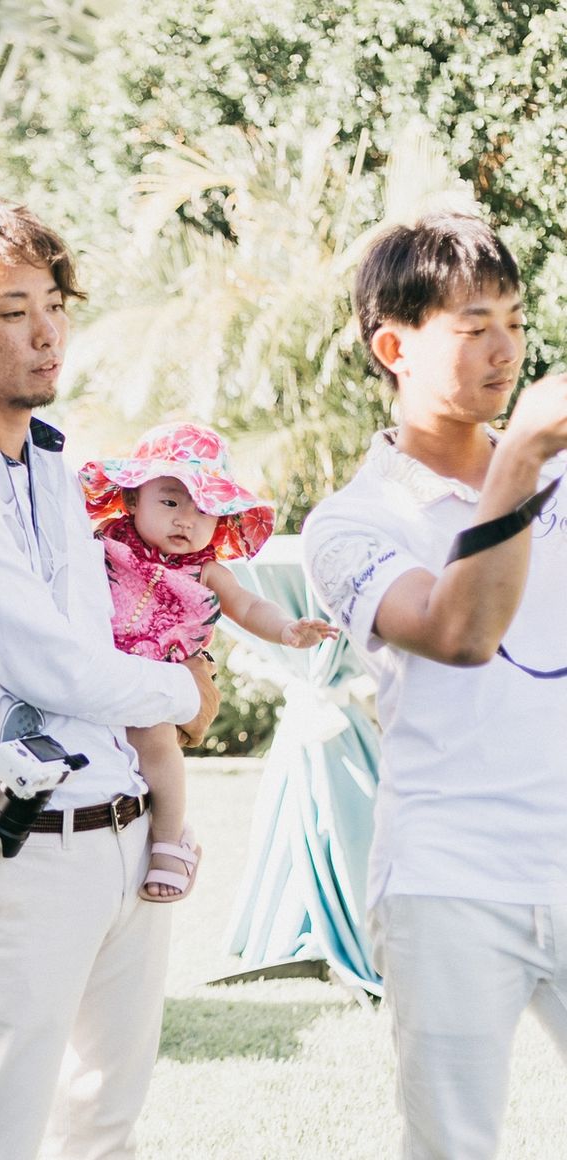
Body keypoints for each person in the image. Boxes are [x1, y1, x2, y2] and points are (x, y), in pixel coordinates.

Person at [0, 189, 220, 1160]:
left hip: (124, 834)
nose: (47, 332)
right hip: (19, 849)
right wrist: (186, 695)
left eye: (55, 305)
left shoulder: (58, 469)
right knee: (1, 1133)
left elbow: (112, 627)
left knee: (104, 1128)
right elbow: (48, 667)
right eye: (15, 310)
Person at [302, 212, 567, 1159]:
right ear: (395, 348)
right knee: (453, 1146)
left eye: (516, 320)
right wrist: (521, 460)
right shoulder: (350, 521)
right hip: (447, 877)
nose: (507, 349)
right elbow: (460, 633)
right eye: (474, 325)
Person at [79, 421, 337, 901]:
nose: (186, 520)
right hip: (100, 668)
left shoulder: (206, 570)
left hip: (165, 674)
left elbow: (248, 606)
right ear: (132, 499)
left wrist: (285, 629)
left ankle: (170, 839)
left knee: (154, 742)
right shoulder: (101, 547)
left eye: (203, 509)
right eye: (170, 502)